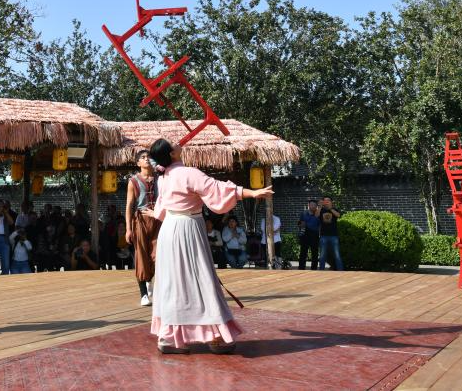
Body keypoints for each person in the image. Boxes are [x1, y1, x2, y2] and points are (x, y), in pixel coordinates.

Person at [147, 138, 274, 354]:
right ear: (172, 154)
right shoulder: (188, 173)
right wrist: (251, 193)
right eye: (173, 144)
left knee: (172, 283)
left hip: (170, 229)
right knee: (200, 279)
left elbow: (163, 208)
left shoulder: (164, 177)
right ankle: (215, 337)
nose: (178, 142)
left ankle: (168, 338)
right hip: (187, 228)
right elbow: (217, 189)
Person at [125, 150, 161, 306]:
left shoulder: (161, 178)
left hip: (158, 219)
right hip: (140, 221)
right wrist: (128, 229)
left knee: (159, 254)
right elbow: (129, 206)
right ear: (138, 163)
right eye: (143, 157)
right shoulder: (133, 181)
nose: (147, 159)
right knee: (141, 255)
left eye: (149, 157)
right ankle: (144, 294)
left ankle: (151, 280)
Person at [318, 196, 343, 271]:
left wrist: (330, 209)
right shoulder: (321, 210)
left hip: (334, 235)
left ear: (331, 202)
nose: (326, 202)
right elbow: (316, 216)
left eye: (328, 201)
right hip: (323, 235)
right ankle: (321, 271)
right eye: (325, 201)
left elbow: (338, 215)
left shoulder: (334, 209)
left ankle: (340, 271)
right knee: (322, 255)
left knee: (337, 254)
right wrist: (320, 207)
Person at [298, 200, 321, 270]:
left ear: (316, 206)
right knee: (303, 252)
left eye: (314, 205)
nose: (313, 206)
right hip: (305, 234)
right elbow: (299, 223)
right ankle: (301, 268)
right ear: (308, 205)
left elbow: (321, 224)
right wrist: (301, 225)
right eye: (311, 205)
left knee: (315, 253)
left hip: (315, 235)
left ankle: (314, 269)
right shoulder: (303, 213)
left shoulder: (318, 214)